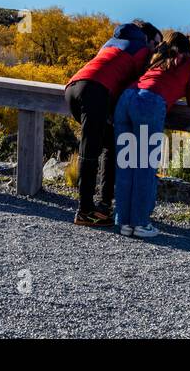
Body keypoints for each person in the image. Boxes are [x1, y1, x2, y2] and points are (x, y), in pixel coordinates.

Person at [65, 19, 162, 227]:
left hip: (74, 87)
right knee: (90, 151)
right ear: (147, 39)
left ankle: (103, 205)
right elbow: (144, 84)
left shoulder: (112, 43)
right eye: (156, 43)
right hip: (95, 91)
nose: (157, 49)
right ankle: (85, 211)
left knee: (110, 143)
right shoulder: (143, 50)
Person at [113, 30, 190, 238]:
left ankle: (124, 222)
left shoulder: (156, 60)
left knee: (126, 163)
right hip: (149, 104)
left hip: (126, 99)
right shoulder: (189, 63)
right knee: (144, 166)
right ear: (187, 47)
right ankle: (141, 224)